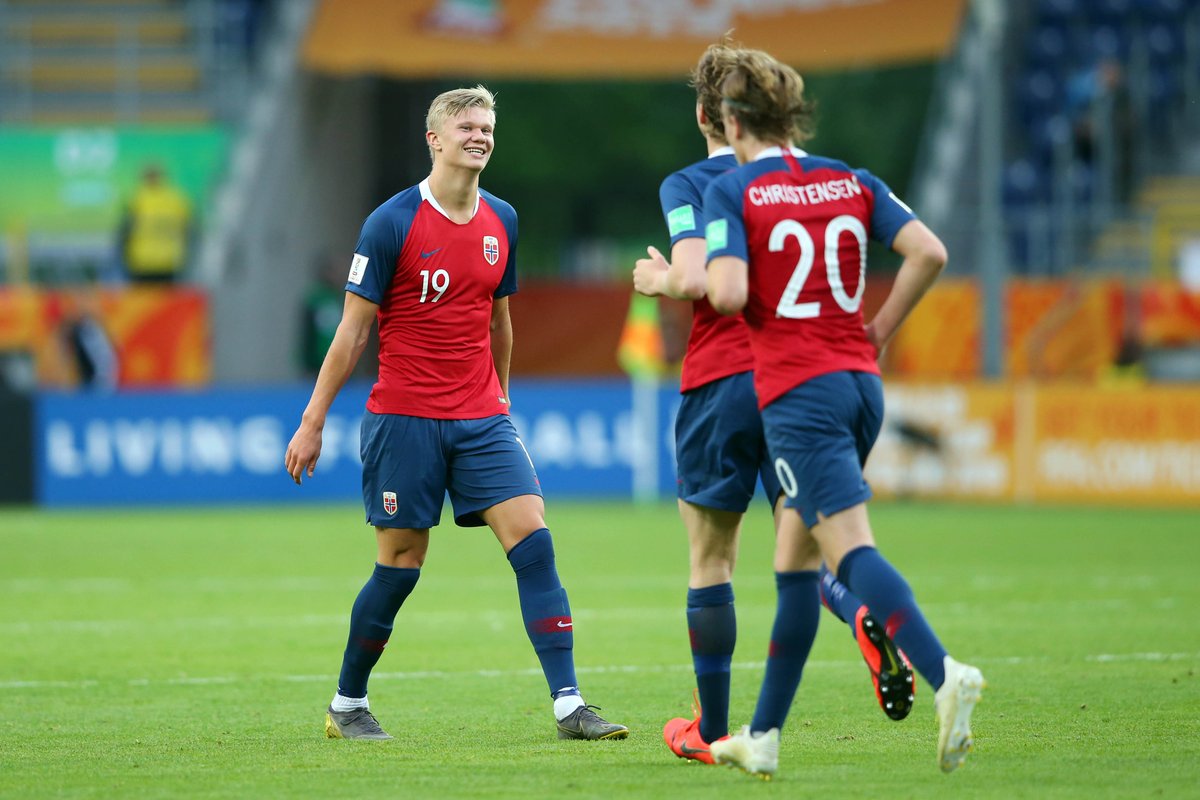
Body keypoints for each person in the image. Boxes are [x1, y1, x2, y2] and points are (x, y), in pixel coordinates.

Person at [284, 86, 627, 743]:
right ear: (434, 139)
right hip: (404, 418)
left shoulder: (504, 220)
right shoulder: (390, 223)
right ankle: (347, 703)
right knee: (401, 565)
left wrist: (500, 400)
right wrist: (313, 419)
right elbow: (353, 333)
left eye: (489, 126)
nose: (481, 135)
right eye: (468, 125)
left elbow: (500, 321)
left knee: (534, 539)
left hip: (482, 417)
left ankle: (569, 706)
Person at [632, 42, 914, 767]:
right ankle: (861, 617)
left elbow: (700, 278)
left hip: (721, 381)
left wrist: (659, 279)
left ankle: (712, 730)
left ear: (710, 115)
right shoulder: (809, 182)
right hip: (801, 383)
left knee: (711, 559)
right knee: (810, 547)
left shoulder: (693, 182)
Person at [702, 51, 984, 778]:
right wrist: (880, 329)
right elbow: (927, 250)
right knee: (793, 563)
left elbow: (728, 296)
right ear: (792, 115)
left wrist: (686, 275)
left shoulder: (733, 189)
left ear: (732, 121)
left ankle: (945, 672)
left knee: (849, 548)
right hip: (860, 383)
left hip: (799, 394)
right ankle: (761, 738)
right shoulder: (852, 180)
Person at [118, 164, 193, 284]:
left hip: (142, 260)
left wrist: (122, 256)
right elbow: (188, 229)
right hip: (168, 260)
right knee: (167, 300)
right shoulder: (178, 198)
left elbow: (124, 231)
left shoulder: (136, 198)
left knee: (144, 300)